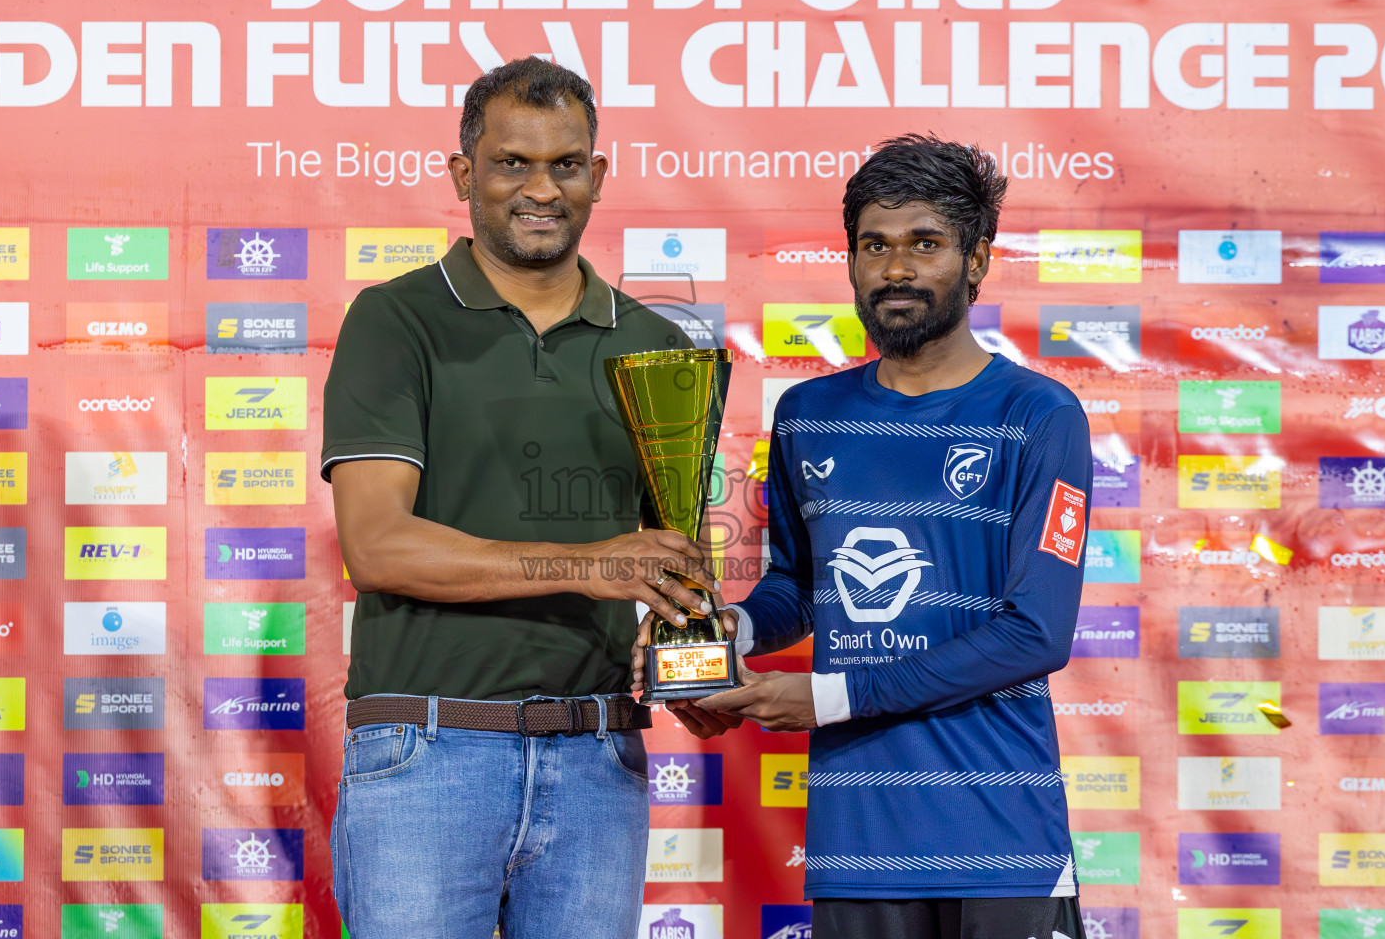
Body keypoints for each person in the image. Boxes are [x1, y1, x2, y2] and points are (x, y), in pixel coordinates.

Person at [636, 133, 1092, 939]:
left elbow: (1036, 633)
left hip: (1000, 840)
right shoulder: (810, 416)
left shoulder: (1037, 415)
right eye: (874, 246)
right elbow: (802, 588)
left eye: (926, 244)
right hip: (858, 840)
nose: (896, 269)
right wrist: (723, 631)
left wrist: (828, 697)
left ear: (977, 259)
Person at [323, 57, 714, 939]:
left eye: (566, 165)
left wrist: (692, 654)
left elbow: (668, 559)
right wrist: (591, 566)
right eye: (512, 164)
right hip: (426, 753)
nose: (541, 189)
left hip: (597, 757)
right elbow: (377, 544)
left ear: (598, 176)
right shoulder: (397, 320)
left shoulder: (654, 345)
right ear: (465, 173)